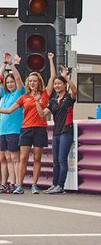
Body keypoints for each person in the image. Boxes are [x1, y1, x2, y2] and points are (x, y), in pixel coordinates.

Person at [0, 60, 50, 194]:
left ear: (39, 82)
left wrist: (51, 60)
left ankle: (34, 185)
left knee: (37, 158)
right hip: (26, 128)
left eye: (34, 81)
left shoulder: (44, 94)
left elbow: (52, 78)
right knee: (23, 158)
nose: (32, 83)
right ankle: (19, 185)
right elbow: (9, 110)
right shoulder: (24, 96)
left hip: (39, 128)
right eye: (30, 81)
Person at [45, 54, 77, 194]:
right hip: (56, 133)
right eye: (55, 84)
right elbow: (42, 113)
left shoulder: (69, 98)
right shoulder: (52, 101)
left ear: (64, 85)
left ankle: (60, 186)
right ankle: (54, 184)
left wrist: (67, 77)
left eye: (59, 83)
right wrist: (36, 102)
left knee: (62, 159)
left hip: (66, 131)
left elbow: (75, 90)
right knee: (56, 161)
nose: (57, 86)